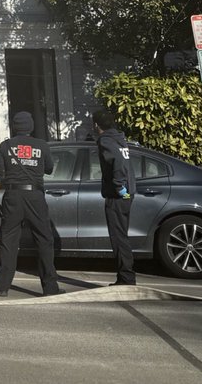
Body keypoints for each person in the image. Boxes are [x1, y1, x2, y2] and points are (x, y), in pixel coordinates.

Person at [0, 111, 62, 297]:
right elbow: (49, 168)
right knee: (44, 240)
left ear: (14, 127)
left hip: (12, 196)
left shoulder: (5, 146)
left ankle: (2, 286)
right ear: (31, 127)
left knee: (8, 240)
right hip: (35, 197)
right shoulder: (41, 145)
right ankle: (50, 288)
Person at [92, 107, 136, 285]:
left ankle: (126, 277)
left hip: (118, 195)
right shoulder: (119, 139)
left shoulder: (106, 141)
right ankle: (126, 276)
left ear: (96, 125)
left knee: (118, 237)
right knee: (122, 235)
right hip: (127, 193)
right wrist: (125, 192)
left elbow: (117, 163)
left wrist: (119, 188)